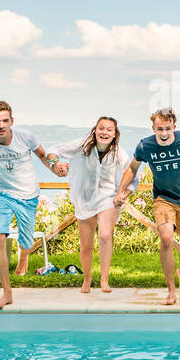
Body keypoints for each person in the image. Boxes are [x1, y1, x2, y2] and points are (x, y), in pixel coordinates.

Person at [0, 100, 64, 310]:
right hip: (2, 193)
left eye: (5, 120)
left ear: (12, 121)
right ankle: (7, 292)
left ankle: (23, 256)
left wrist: (56, 169)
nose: (1, 125)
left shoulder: (26, 137)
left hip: (28, 196)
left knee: (26, 242)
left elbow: (44, 158)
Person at [116, 107, 180, 305]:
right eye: (159, 129)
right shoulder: (145, 146)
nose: (164, 133)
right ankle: (171, 290)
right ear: (153, 128)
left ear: (174, 127)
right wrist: (121, 191)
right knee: (165, 238)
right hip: (163, 198)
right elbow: (132, 168)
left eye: (167, 129)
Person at [47, 117, 139, 293]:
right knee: (86, 245)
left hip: (109, 198)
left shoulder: (118, 152)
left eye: (109, 130)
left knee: (105, 235)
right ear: (95, 130)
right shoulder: (82, 145)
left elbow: (133, 174)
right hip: (85, 200)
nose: (104, 132)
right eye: (101, 128)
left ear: (115, 134)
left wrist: (123, 194)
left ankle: (104, 280)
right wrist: (56, 164)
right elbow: (53, 150)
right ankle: (87, 278)